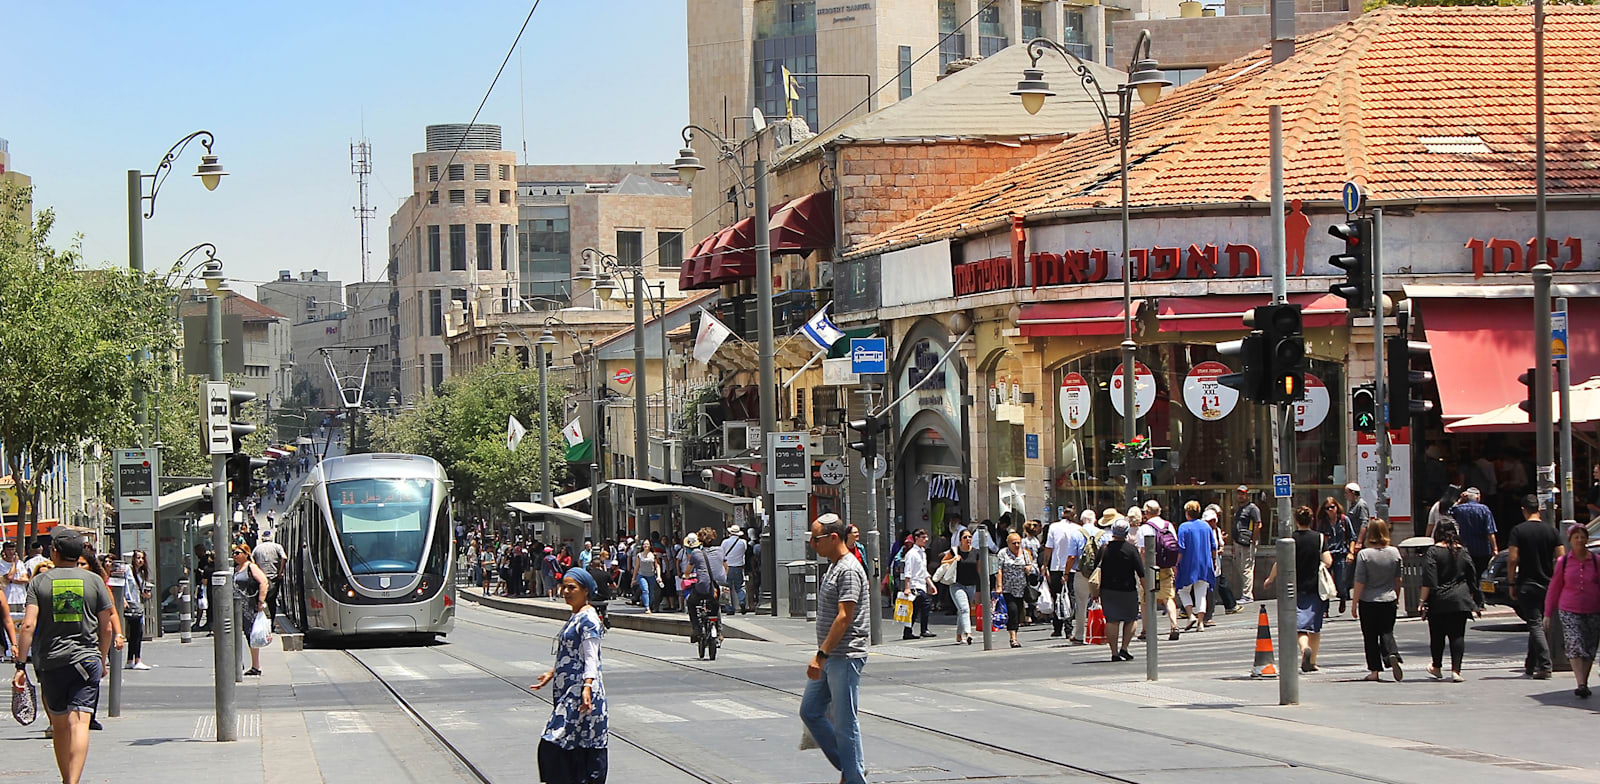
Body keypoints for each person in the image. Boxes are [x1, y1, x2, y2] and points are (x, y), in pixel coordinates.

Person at [13, 528, 115, 784]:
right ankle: (73, 781)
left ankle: (66, 778)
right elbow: (108, 626)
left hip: (51, 660)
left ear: (54, 552)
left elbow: (27, 625)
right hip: (87, 658)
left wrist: (20, 665)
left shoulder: (39, 582)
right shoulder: (94, 581)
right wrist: (101, 658)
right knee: (80, 722)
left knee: (59, 724)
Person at [800, 513, 869, 784]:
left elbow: (844, 616)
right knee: (811, 711)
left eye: (815, 539)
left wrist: (821, 655)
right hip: (831, 656)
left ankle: (854, 778)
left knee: (845, 723)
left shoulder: (849, 569)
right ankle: (853, 769)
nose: (811, 544)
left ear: (832, 538)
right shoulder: (833, 565)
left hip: (844, 655)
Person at [529, 568, 609, 784]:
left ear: (586, 591)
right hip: (571, 691)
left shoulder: (588, 618)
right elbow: (574, 654)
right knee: (575, 743)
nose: (565, 591)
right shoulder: (577, 615)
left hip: (580, 693)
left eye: (571, 587)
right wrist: (553, 673)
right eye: (563, 586)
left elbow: (592, 656)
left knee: (556, 741)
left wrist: (587, 686)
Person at [1266, 505, 1331, 672]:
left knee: (1299, 626)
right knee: (1315, 628)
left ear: (1296, 521)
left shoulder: (1291, 539)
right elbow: (1328, 561)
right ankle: (1313, 661)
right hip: (1316, 588)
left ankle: (1304, 649)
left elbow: (1279, 563)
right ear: (1312, 520)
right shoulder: (1320, 538)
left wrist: (1270, 578)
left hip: (1294, 587)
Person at [1420, 520, 1484, 682]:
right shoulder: (1463, 551)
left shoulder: (1433, 552)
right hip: (1460, 599)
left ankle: (1437, 666)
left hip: (1439, 599)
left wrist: (1422, 601)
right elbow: (1472, 576)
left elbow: (1429, 580)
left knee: (1437, 636)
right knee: (1457, 635)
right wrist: (1476, 599)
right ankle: (1456, 671)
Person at [1508, 494, 1564, 679]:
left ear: (1524, 510)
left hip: (1527, 584)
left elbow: (1513, 559)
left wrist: (1511, 583)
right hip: (1548, 584)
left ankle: (1545, 665)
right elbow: (1561, 559)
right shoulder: (1552, 531)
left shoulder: (1518, 531)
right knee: (1537, 623)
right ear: (1538, 509)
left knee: (1534, 624)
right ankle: (1530, 664)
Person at [1545, 523, 1600, 698]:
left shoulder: (1596, 561)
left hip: (1593, 609)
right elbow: (1554, 588)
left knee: (1589, 647)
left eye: (1582, 537)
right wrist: (1548, 613)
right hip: (1569, 609)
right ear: (1570, 540)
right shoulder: (1564, 561)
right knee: (1575, 644)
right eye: (1576, 537)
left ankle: (1585, 679)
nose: (1580, 540)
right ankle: (1580, 683)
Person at [1351, 519, 1405, 682]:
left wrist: (1354, 603)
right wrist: (1397, 596)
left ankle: (1374, 670)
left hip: (1369, 601)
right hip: (1388, 598)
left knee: (1370, 636)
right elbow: (1398, 578)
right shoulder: (1394, 553)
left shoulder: (1364, 555)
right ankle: (1391, 654)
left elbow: (1360, 581)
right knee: (1387, 631)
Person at [1098, 519, 1146, 662]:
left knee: (1112, 620)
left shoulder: (1104, 548)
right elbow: (1141, 573)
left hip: (1107, 590)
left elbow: (1096, 569)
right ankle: (1124, 648)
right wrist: (1147, 590)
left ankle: (1114, 652)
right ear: (1126, 533)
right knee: (1131, 619)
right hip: (1128, 589)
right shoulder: (1131, 550)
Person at [1139, 500, 1182, 641]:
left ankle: (1146, 630)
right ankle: (1174, 625)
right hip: (1166, 566)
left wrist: (1142, 568)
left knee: (1145, 599)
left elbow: (1142, 551)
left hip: (1150, 568)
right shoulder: (1168, 525)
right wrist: (1174, 566)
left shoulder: (1144, 528)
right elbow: (1175, 547)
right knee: (1168, 597)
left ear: (1146, 513)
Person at [1041, 512, 1086, 641]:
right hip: (1072, 566)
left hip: (1057, 565)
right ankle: (1068, 627)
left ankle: (1057, 626)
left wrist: (1045, 564)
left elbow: (1049, 547)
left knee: (1057, 596)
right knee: (1070, 596)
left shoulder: (1054, 527)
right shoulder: (1078, 528)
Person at [1175, 501, 1215, 632]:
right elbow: (1213, 546)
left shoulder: (1183, 527)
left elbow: (1181, 547)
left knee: (1183, 590)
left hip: (1188, 564)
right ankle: (1201, 622)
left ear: (1187, 513)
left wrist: (1176, 564)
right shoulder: (1206, 526)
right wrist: (1213, 560)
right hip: (1205, 564)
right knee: (1201, 593)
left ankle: (1190, 614)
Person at [231, 544, 270, 677]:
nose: (234, 556)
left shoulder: (251, 567)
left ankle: (256, 666)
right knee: (233, 635)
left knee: (251, 635)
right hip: (236, 607)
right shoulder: (236, 568)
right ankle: (237, 662)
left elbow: (264, 582)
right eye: (234, 553)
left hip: (249, 606)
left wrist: (261, 601)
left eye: (237, 553)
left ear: (246, 554)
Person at [1448, 488, 1499, 580]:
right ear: (1478, 497)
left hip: (1466, 549)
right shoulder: (1484, 510)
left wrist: (1460, 500)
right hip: (1482, 549)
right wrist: (1495, 549)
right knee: (1482, 576)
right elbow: (1490, 531)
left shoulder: (1459, 509)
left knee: (1468, 576)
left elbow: (1450, 511)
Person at [940, 530, 981, 645]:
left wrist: (980, 587)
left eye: (970, 537)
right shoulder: (954, 551)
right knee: (965, 609)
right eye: (965, 537)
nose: (968, 539)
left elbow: (979, 570)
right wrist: (954, 559)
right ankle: (968, 634)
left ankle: (959, 635)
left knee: (962, 611)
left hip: (971, 585)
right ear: (960, 540)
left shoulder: (976, 552)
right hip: (956, 584)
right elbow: (943, 562)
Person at [995, 533, 1034, 648]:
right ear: (1008, 544)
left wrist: (1029, 568)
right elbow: (999, 570)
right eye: (1014, 543)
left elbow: (1030, 565)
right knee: (1012, 611)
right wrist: (999, 586)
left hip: (1021, 588)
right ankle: (1013, 638)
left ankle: (1015, 632)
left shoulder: (1025, 553)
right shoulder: (1003, 553)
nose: (1017, 545)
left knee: (1018, 611)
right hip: (1008, 588)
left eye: (1018, 543)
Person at [1319, 497, 1357, 616]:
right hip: (1327, 555)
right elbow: (1319, 538)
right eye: (1327, 508)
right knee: (1325, 582)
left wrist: (1351, 552)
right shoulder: (1323, 523)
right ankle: (1325, 609)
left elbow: (1352, 538)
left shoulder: (1344, 520)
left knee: (1341, 581)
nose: (1330, 510)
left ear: (1337, 507)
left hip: (1341, 554)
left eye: (1332, 507)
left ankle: (1343, 597)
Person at [682, 534, 721, 643]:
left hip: (702, 587)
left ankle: (696, 629)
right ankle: (719, 632)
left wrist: (686, 576)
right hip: (716, 586)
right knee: (716, 605)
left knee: (691, 602)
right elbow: (724, 567)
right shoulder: (719, 550)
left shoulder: (696, 554)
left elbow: (687, 572)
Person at [899, 529, 935, 640]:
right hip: (914, 585)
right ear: (916, 538)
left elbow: (923, 571)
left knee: (914, 609)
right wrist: (907, 587)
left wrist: (930, 584)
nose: (926, 540)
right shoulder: (911, 554)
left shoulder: (922, 552)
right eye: (923, 537)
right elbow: (908, 571)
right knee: (925, 604)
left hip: (922, 584)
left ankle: (908, 631)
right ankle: (923, 629)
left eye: (926, 537)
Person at [1229, 485, 1261, 603]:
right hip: (1238, 542)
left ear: (1248, 495)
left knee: (1247, 568)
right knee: (1240, 567)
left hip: (1247, 543)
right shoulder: (1239, 509)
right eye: (1239, 493)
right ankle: (1246, 592)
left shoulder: (1252, 508)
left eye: (1243, 494)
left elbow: (1258, 524)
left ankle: (1247, 595)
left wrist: (1253, 540)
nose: (1240, 496)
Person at [251, 530, 287, 631]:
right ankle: (271, 624)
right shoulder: (277, 546)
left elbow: (252, 559)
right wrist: (280, 572)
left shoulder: (257, 548)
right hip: (274, 578)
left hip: (260, 579)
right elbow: (284, 557)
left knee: (260, 601)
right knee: (272, 602)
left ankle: (262, 623)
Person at [124, 550, 153, 670]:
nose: (140, 560)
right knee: (136, 633)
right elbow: (124, 585)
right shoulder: (127, 569)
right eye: (138, 558)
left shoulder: (140, 573)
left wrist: (146, 593)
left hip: (138, 604)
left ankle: (131, 660)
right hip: (131, 604)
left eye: (142, 558)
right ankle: (136, 660)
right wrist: (124, 599)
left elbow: (141, 589)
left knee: (137, 633)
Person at [1, 541, 26, 658]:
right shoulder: (2, 564)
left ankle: (21, 648)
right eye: (9, 549)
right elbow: (8, 577)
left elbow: (26, 579)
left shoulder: (21, 563)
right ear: (4, 551)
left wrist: (14, 580)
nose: (11, 552)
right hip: (8, 598)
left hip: (20, 597)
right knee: (8, 622)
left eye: (13, 549)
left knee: (20, 625)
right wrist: (14, 565)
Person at [719, 524, 750, 615]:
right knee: (739, 587)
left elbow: (721, 554)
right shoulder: (743, 542)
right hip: (739, 567)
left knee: (727, 588)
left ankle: (729, 608)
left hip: (727, 567)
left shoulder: (724, 542)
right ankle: (742, 602)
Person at [633, 541, 660, 614]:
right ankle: (647, 607)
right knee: (645, 590)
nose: (646, 545)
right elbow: (637, 567)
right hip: (642, 575)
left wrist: (659, 576)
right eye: (644, 544)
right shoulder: (639, 555)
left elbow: (657, 566)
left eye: (647, 544)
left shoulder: (653, 555)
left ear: (650, 546)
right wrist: (634, 578)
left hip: (651, 575)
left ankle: (650, 605)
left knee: (651, 592)